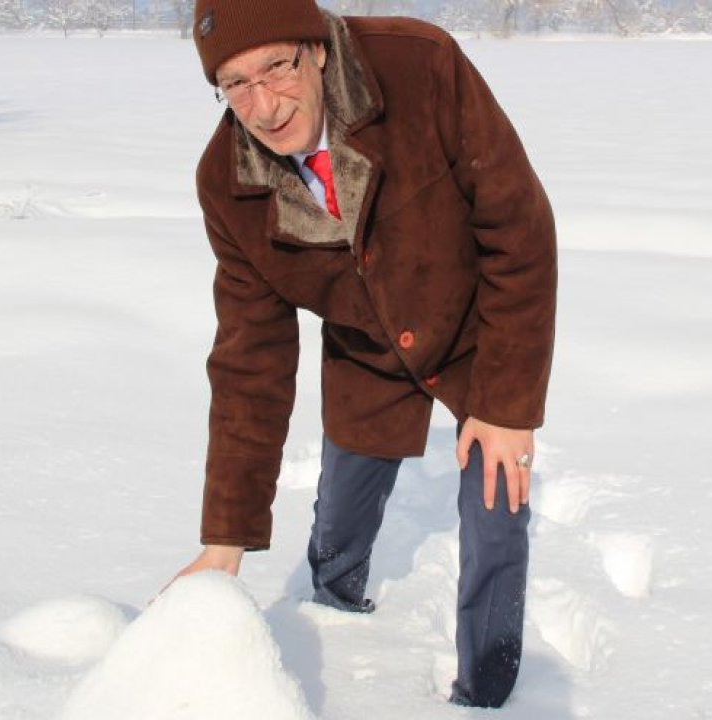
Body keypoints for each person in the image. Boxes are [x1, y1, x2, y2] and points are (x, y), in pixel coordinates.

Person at [171, 0, 556, 708]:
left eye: (276, 68)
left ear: (316, 49)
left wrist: (506, 408)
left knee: (497, 505)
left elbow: (519, 231)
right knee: (340, 521)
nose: (263, 105)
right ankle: (335, 614)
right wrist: (225, 538)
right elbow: (250, 364)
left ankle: (486, 695)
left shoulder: (420, 67)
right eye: (235, 84)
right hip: (364, 350)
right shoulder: (227, 183)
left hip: (479, 330)